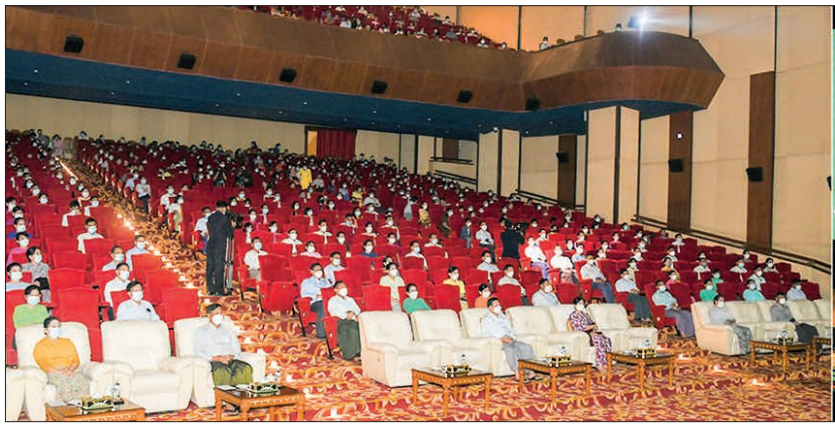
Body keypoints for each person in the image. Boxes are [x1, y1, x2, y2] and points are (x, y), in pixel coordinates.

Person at [194, 303, 253, 409]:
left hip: (230, 358)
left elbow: (236, 348)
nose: (219, 316)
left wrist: (231, 356)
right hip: (215, 360)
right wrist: (216, 358)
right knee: (223, 371)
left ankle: (242, 401)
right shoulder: (201, 331)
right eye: (216, 313)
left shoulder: (228, 330)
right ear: (209, 316)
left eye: (221, 313)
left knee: (245, 368)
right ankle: (229, 403)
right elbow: (199, 352)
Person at [33, 316, 90, 402]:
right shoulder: (40, 345)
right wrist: (60, 372)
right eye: (53, 326)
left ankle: (81, 406)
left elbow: (76, 360)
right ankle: (67, 406)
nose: (57, 329)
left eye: (58, 326)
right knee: (65, 382)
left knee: (82, 380)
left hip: (69, 369)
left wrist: (69, 370)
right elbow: (43, 364)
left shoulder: (67, 342)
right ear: (45, 330)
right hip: (53, 372)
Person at [481, 298, 538, 381]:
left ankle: (531, 371)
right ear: (490, 308)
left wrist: (512, 337)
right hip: (500, 341)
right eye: (496, 306)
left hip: (511, 339)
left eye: (499, 305)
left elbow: (510, 329)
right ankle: (517, 373)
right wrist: (500, 338)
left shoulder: (503, 316)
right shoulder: (486, 319)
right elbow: (485, 334)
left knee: (526, 347)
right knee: (510, 349)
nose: (499, 307)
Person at [568, 297, 612, 369]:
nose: (581, 305)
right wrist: (591, 328)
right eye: (579, 303)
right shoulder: (573, 315)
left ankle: (605, 362)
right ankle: (599, 364)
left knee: (607, 339)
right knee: (599, 340)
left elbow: (593, 324)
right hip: (583, 333)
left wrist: (594, 329)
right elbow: (579, 328)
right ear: (575, 305)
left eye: (582, 303)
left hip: (590, 332)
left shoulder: (585, 314)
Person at [327, 281, 362, 361]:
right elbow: (340, 314)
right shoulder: (333, 301)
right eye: (342, 287)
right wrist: (351, 314)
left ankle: (366, 351)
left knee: (365, 326)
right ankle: (354, 353)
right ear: (336, 290)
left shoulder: (350, 299)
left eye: (345, 287)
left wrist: (355, 315)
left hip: (354, 319)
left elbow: (357, 309)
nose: (345, 289)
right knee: (353, 329)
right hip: (342, 322)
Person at [206, 201, 234, 296]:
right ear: (223, 208)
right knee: (219, 267)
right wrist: (232, 226)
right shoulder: (225, 218)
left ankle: (210, 287)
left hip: (211, 243)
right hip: (220, 245)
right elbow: (229, 233)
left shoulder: (210, 217)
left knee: (210, 266)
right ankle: (219, 289)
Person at [300, 263, 331, 338]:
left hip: (327, 300)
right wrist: (316, 296)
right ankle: (321, 333)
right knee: (323, 305)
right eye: (317, 270)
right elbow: (304, 295)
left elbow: (330, 291)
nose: (319, 271)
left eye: (320, 270)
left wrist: (324, 295)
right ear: (311, 271)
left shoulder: (325, 281)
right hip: (315, 303)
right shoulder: (307, 282)